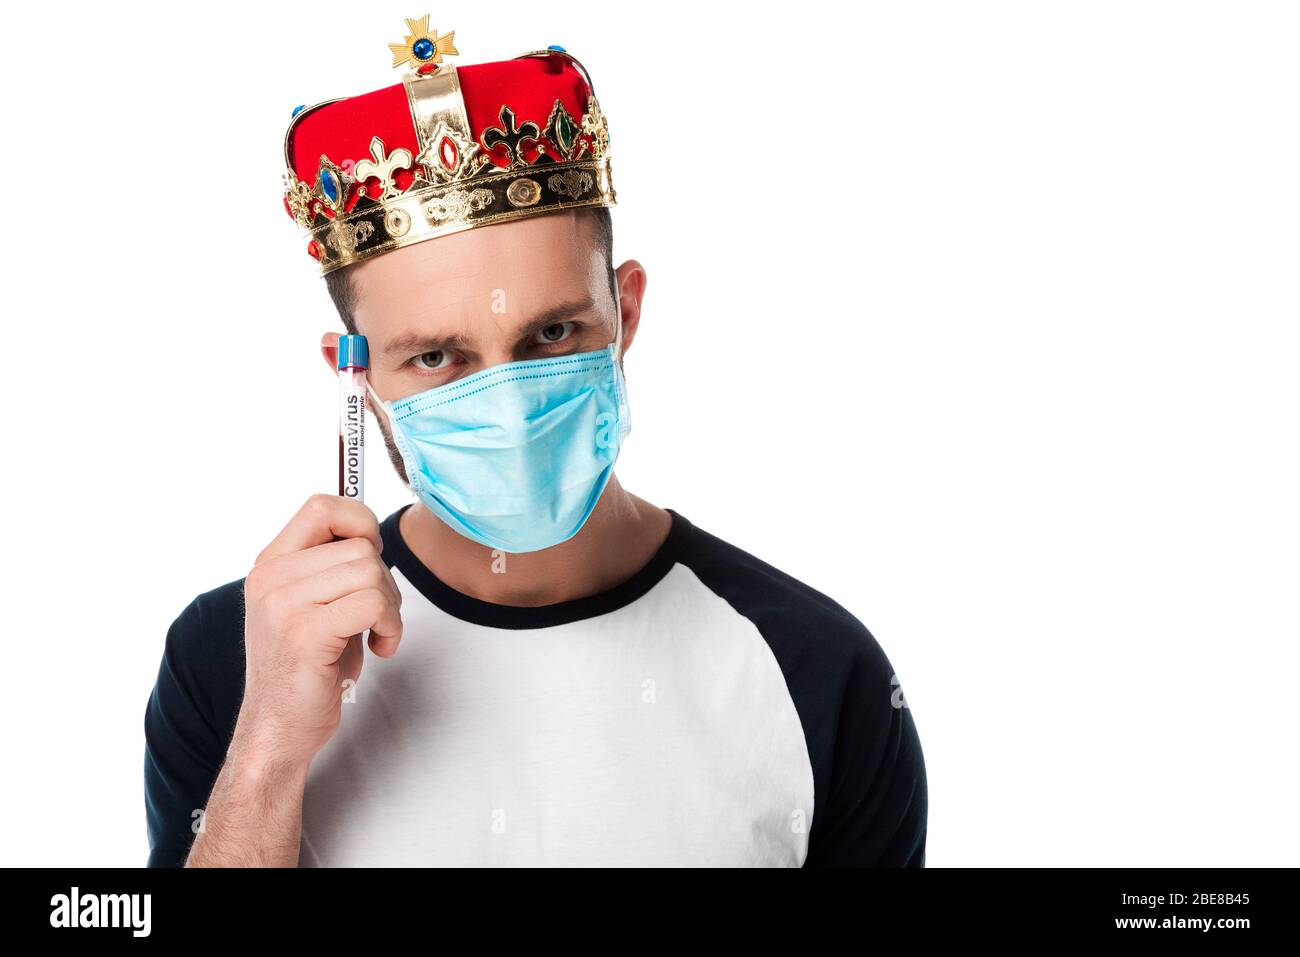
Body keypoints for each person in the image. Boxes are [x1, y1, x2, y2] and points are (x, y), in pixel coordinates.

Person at [143, 20, 927, 867]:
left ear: (624, 312)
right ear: (354, 376)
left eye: (552, 332)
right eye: (437, 357)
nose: (512, 417)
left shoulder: (817, 670)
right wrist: (266, 753)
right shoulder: (241, 655)